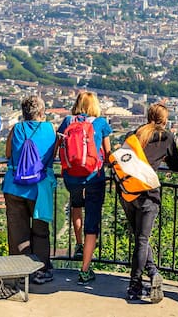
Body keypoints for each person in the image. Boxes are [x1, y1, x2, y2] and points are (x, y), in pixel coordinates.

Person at [121, 103, 178, 302]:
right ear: (165, 120)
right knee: (142, 240)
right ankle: (134, 285)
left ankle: (152, 272)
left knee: (139, 238)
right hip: (148, 194)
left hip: (128, 192)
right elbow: (177, 165)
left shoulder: (135, 133)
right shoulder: (166, 137)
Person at [2, 95, 58, 284]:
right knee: (41, 230)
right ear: (41, 112)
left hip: (14, 186)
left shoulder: (16, 129)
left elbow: (8, 154)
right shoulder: (50, 129)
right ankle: (41, 269)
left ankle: (19, 271)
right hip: (39, 188)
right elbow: (52, 155)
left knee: (18, 231)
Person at [58, 91, 112, 284]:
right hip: (94, 177)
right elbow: (107, 153)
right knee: (93, 221)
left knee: (76, 205)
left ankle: (79, 244)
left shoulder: (67, 121)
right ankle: (85, 270)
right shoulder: (101, 123)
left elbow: (59, 148)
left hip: (71, 177)